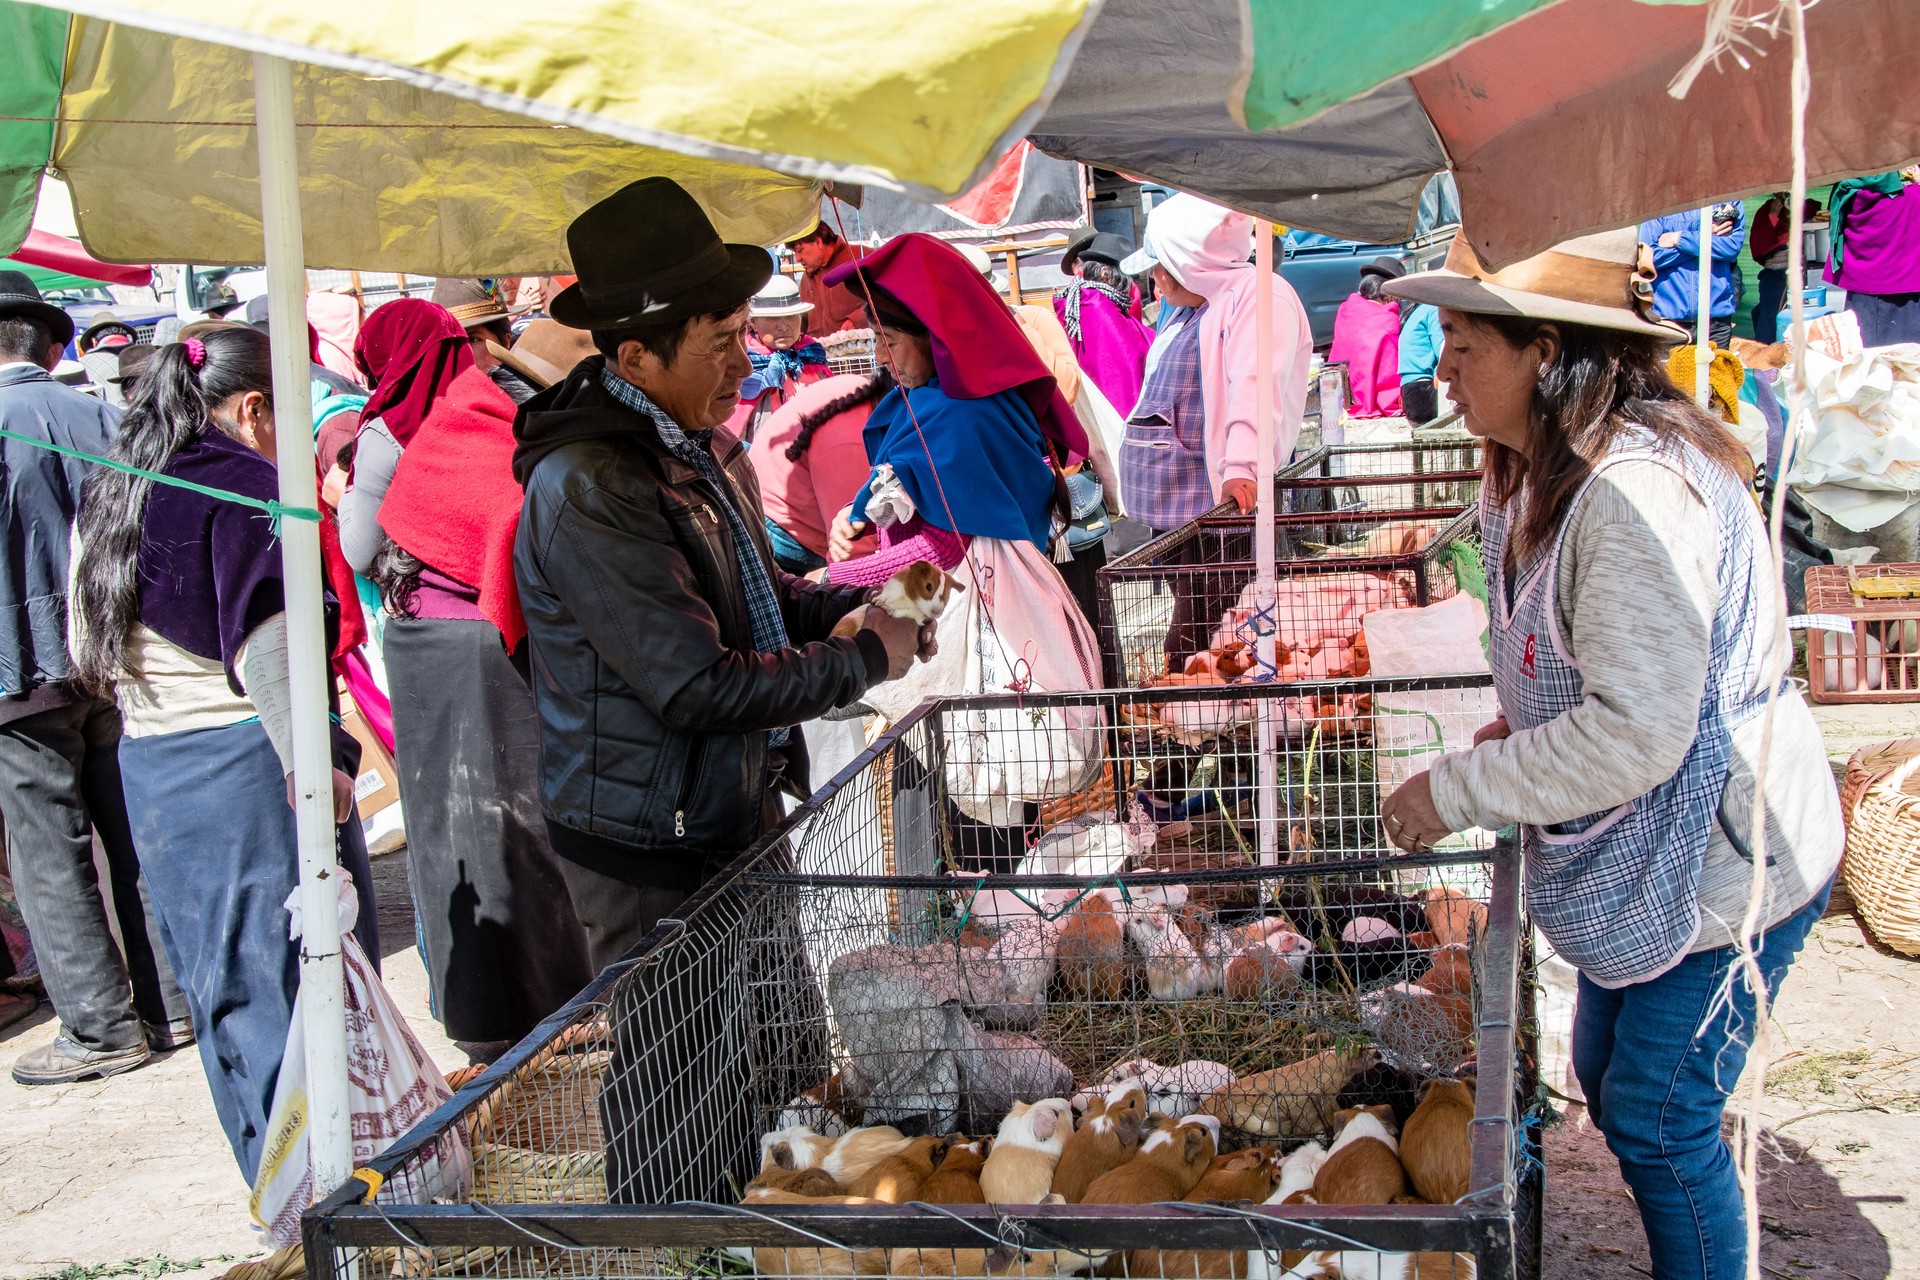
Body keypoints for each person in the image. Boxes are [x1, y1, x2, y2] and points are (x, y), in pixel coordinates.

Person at [1377, 229, 1841, 1280]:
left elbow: (1638, 728)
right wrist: (1527, 728)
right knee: (1598, 1063)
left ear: (1544, 350)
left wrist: (1456, 787)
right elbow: (1599, 675)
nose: (1439, 363)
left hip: (1729, 849)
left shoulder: (1631, 495)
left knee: (1657, 1112)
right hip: (1665, 826)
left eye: (1461, 339)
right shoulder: (1540, 470)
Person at [512, 176, 928, 971]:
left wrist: (871, 600)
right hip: (650, 839)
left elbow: (763, 601)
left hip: (734, 802)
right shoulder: (592, 484)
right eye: (720, 344)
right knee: (685, 1081)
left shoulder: (701, 444)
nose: (746, 365)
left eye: (743, 334)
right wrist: (868, 657)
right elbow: (694, 685)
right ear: (634, 357)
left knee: (778, 1055)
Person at [69, 327, 379, 1183]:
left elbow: (81, 637)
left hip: (158, 774)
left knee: (227, 996)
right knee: (299, 990)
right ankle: (329, 1204)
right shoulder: (243, 485)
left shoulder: (116, 482)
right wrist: (320, 769)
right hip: (253, 771)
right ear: (252, 409)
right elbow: (271, 652)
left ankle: (274, 1187)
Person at [819, 233, 1097, 870]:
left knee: (967, 786)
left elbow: (940, 550)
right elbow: (911, 493)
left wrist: (841, 575)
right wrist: (853, 515)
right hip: (962, 608)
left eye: (889, 339)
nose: (882, 356)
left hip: (959, 614)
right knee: (980, 779)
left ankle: (981, 924)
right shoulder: (957, 398)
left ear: (931, 334)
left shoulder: (954, 414)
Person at [370, 344, 592, 1060]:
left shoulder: (460, 418)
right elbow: (515, 541)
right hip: (474, 652)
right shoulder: (498, 435)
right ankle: (528, 1024)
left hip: (434, 644)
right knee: (504, 835)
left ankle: (503, 1024)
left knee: (472, 836)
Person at [0, 272, 192, 1086]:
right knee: (132, 832)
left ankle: (101, 1027)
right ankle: (171, 1002)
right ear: (50, 346)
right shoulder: (102, 416)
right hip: (107, 659)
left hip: (18, 674)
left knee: (50, 848)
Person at [1116, 193, 1313, 533]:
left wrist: (1241, 468)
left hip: (1217, 517)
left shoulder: (1260, 297)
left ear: (1185, 262)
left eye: (1159, 264)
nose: (1154, 277)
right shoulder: (1188, 308)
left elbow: (1255, 388)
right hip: (1176, 519)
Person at [337, 299, 472, 575]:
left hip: (429, 604)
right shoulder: (497, 411)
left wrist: (343, 495)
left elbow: (362, 555)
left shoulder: (387, 435)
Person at [749, 371, 884, 573]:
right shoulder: (849, 439)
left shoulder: (865, 395)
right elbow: (853, 553)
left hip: (786, 508)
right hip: (783, 529)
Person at [1053, 231, 1154, 415]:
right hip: (1115, 418)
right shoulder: (1097, 306)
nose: (1130, 283)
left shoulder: (1083, 299)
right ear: (1106, 272)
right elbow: (1123, 374)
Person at [729, 275, 831, 441]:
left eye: (791, 316)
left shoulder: (813, 356)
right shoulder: (744, 364)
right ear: (753, 322)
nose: (783, 326)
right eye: (772, 318)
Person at [1825, 170, 1920, 347]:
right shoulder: (1875, 185)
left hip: (1875, 291)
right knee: (1883, 362)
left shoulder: (1851, 183)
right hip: (1882, 292)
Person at [1639, 203, 1746, 348]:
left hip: (1716, 323)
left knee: (1715, 371)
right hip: (1668, 322)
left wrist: (1679, 238)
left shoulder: (1730, 199)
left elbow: (1731, 248)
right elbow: (1650, 258)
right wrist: (1707, 236)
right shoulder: (1658, 201)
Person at [1326, 257, 1405, 419]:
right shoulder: (1387, 319)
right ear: (1391, 294)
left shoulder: (1346, 309)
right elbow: (1388, 370)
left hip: (1341, 397)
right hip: (1371, 400)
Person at [785, 224, 867, 334]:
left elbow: (890, 298)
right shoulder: (806, 279)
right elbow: (802, 324)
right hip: (818, 349)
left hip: (862, 346)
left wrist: (858, 320)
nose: (797, 258)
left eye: (800, 250)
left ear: (818, 242)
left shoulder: (861, 257)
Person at [1398, 302, 1445, 425]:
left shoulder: (1417, 312)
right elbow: (1443, 352)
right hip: (1425, 390)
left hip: (1409, 390)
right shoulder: (1434, 309)